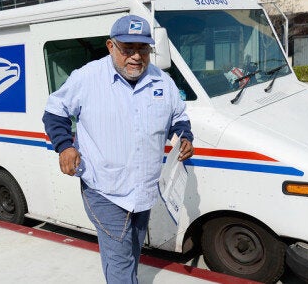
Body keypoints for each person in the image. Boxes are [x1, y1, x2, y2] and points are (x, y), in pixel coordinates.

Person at [42, 14, 194, 284]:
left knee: (130, 252)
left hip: (144, 190)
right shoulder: (87, 78)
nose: (136, 56)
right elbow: (55, 112)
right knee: (121, 259)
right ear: (111, 46)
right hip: (105, 189)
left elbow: (178, 117)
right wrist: (65, 146)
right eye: (128, 49)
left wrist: (184, 137)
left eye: (143, 49)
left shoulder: (162, 81)